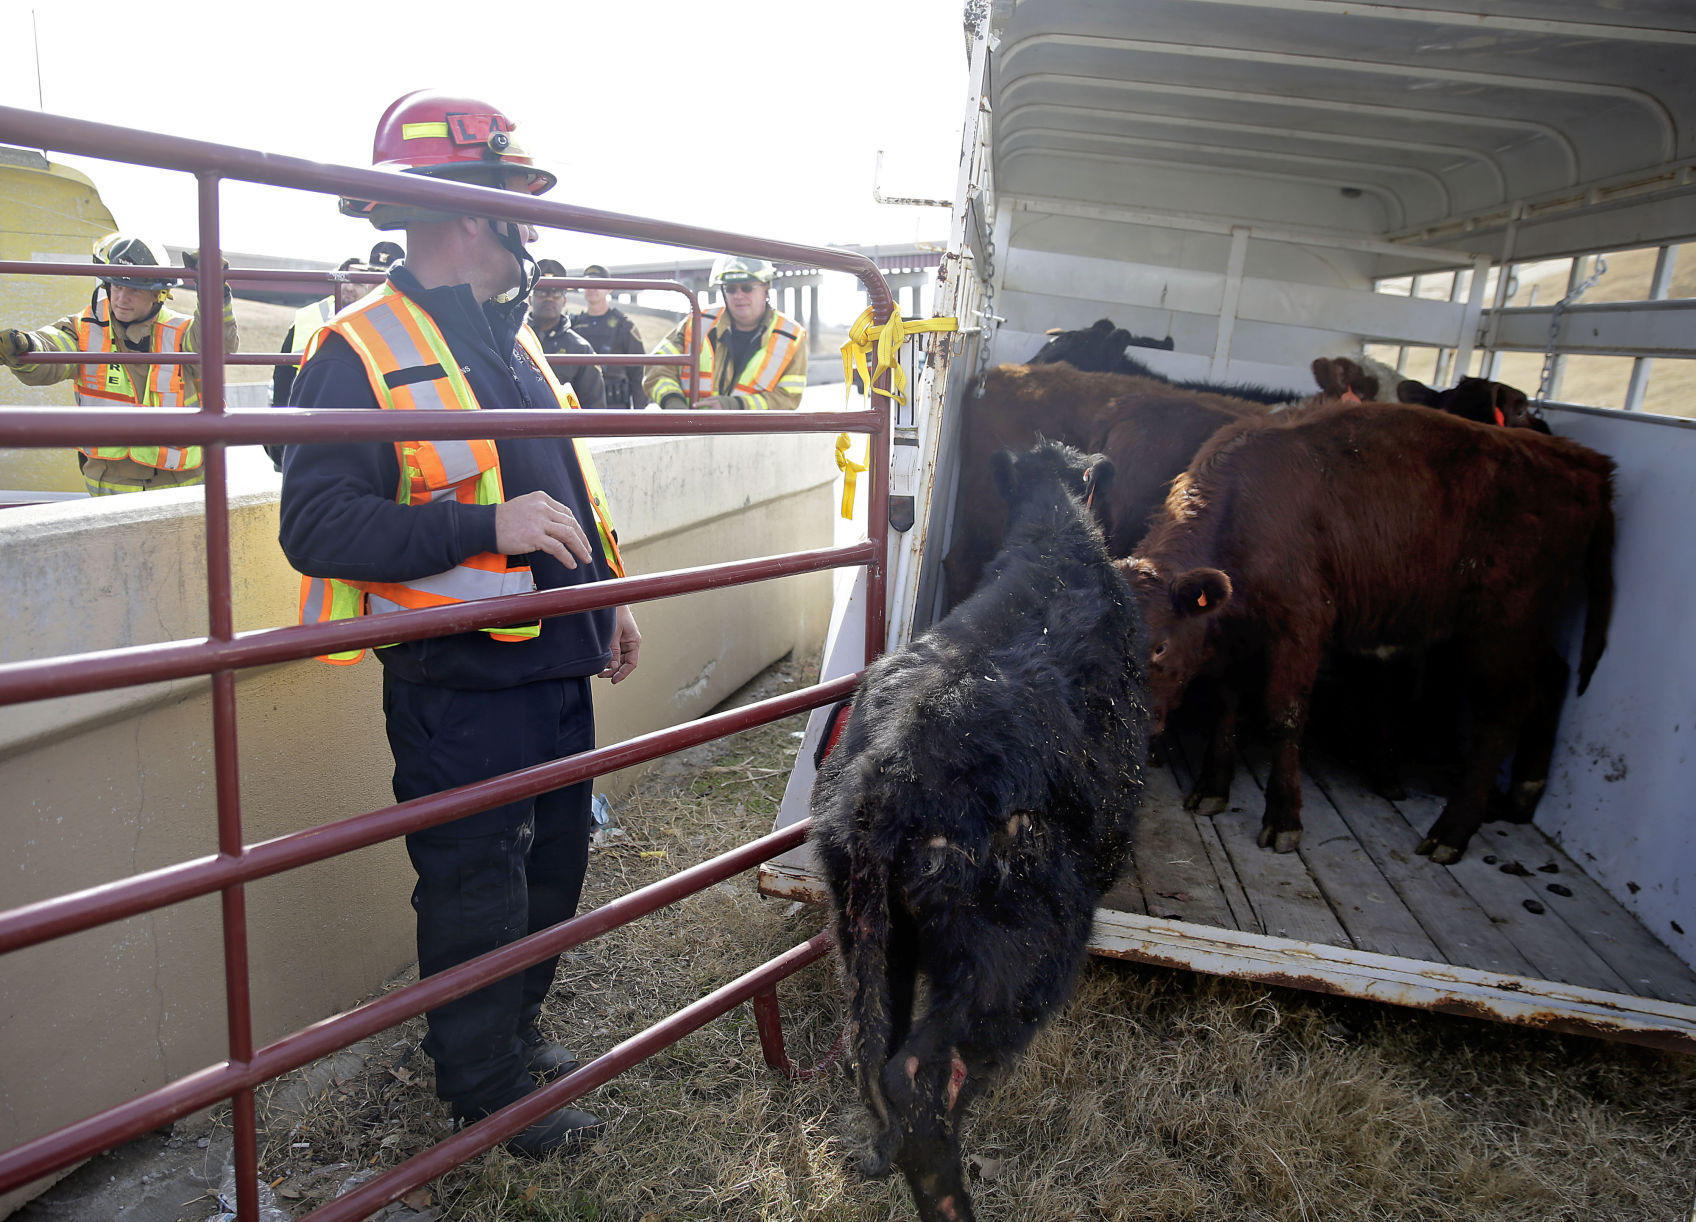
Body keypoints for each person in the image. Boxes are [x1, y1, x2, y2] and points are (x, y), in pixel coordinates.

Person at [277, 89, 641, 1159]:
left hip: (551, 663)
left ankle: (515, 1042)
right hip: (457, 684)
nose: (529, 231)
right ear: (469, 213)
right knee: (477, 883)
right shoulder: (356, 348)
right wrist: (485, 520)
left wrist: (604, 604)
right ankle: (484, 1095)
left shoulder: (513, 344)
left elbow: (564, 486)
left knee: (553, 867)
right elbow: (317, 522)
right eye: (517, 207)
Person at [0, 233, 239, 496]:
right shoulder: (84, 328)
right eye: (117, 286)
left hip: (176, 491)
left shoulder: (182, 333)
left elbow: (219, 346)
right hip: (109, 492)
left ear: (159, 294)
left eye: (135, 289)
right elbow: (51, 349)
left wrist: (214, 291)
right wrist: (25, 346)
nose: (122, 298)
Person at [266, 242, 405, 468]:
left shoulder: (393, 321)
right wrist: (280, 446)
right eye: (347, 279)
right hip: (307, 437)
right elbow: (281, 386)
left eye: (360, 282)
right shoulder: (309, 320)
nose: (350, 288)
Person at [643, 255, 807, 411]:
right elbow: (657, 367)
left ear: (766, 289)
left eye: (747, 288)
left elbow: (788, 398)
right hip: (693, 430)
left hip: (750, 434)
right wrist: (673, 403)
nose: (738, 295)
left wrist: (735, 406)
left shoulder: (791, 336)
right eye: (730, 289)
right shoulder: (698, 323)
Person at [528, 258, 605, 411]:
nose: (549, 298)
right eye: (542, 291)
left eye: (556, 292)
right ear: (530, 298)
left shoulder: (581, 349)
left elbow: (594, 408)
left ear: (564, 300)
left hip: (563, 432)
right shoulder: (513, 341)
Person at [570, 263, 648, 409]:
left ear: (609, 289)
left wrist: (640, 414)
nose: (592, 289)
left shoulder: (624, 326)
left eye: (598, 284)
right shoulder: (573, 325)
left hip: (615, 407)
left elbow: (638, 373)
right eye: (587, 284)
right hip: (581, 406)